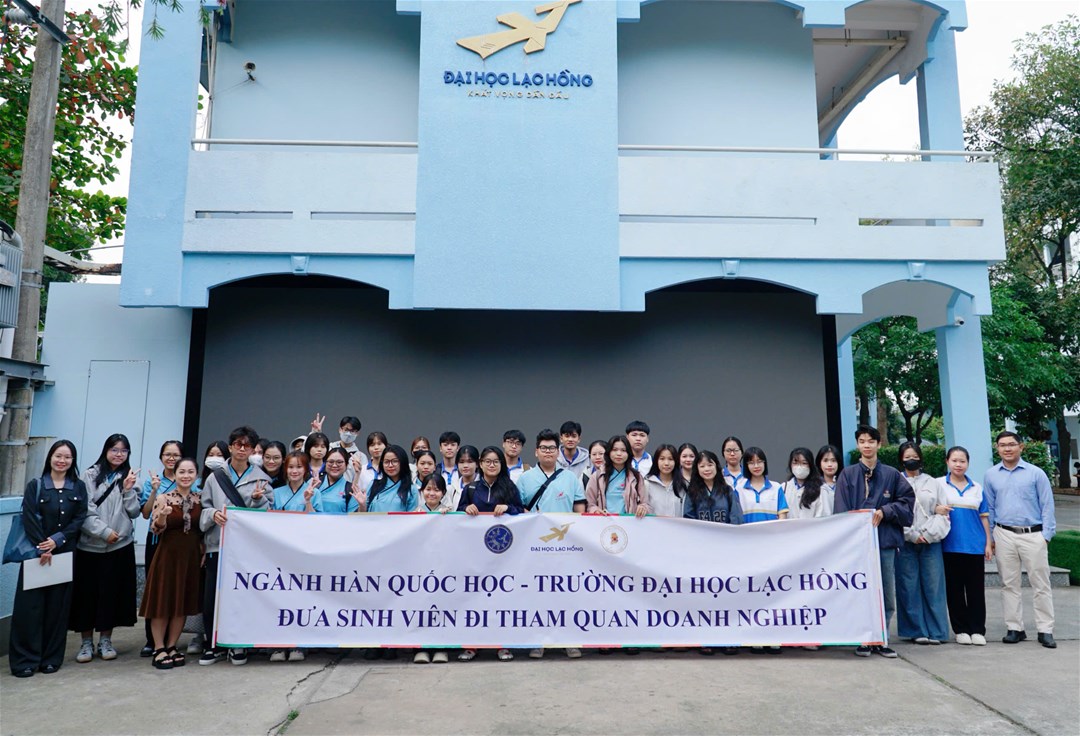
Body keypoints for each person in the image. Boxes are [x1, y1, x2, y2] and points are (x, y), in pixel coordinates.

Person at [834, 425, 914, 659]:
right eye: (862, 441)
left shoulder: (892, 474)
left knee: (886, 593)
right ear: (857, 445)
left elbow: (907, 502)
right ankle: (863, 639)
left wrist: (885, 511)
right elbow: (841, 511)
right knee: (861, 592)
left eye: (871, 441)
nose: (866, 445)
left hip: (885, 543)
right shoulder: (848, 475)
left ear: (879, 444)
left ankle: (881, 638)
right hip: (857, 547)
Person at [8, 440, 88, 677]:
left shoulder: (78, 487)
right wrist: (43, 546)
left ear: (73, 461)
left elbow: (80, 517)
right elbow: (29, 517)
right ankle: (25, 660)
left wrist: (57, 541)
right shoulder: (36, 485)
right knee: (29, 608)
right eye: (58, 456)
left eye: (67, 457)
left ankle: (51, 659)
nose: (62, 461)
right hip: (36, 554)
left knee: (57, 608)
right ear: (50, 457)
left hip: (63, 553)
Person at [199, 426, 273, 666]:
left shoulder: (261, 478)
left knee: (242, 595)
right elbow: (204, 507)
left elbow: (270, 515)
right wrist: (212, 515)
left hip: (246, 549)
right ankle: (212, 643)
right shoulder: (215, 477)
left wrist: (258, 501)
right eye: (238, 444)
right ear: (230, 447)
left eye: (247, 445)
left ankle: (238, 643)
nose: (242, 449)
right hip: (218, 544)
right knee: (213, 597)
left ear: (253, 450)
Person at [71, 434, 141, 664]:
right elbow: (84, 510)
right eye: (114, 449)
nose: (119, 454)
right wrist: (103, 532)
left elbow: (134, 512)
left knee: (111, 595)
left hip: (119, 546)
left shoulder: (130, 476)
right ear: (106, 450)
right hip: (90, 546)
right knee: (87, 595)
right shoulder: (89, 475)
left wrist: (128, 490)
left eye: (123, 450)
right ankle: (86, 642)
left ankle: (105, 640)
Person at [984, 431, 1057, 648]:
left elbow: (1047, 504)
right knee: (1009, 584)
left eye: (1011, 444)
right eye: (1002, 445)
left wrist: (1046, 536)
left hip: (1033, 534)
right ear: (997, 448)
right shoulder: (991, 475)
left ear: (1021, 447)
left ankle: (1045, 629)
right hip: (1004, 534)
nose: (1007, 448)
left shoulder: (1036, 474)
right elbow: (989, 507)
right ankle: (1015, 628)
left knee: (1040, 583)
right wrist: (992, 536)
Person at [457, 447, 523, 663]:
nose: (492, 465)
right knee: (473, 600)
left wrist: (508, 508)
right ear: (480, 464)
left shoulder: (510, 488)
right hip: (474, 555)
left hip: (503, 554)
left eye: (496, 461)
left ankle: (502, 645)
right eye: (487, 461)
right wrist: (466, 509)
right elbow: (458, 515)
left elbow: (522, 513)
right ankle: (471, 646)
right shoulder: (470, 488)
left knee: (501, 602)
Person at [140, 457, 203, 670]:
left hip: (190, 557)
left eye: (190, 472)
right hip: (167, 556)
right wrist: (162, 517)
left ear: (196, 475)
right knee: (162, 603)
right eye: (181, 472)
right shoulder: (164, 498)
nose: (186, 476)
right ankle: (159, 648)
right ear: (174, 475)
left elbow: (201, 529)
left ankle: (172, 645)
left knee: (181, 603)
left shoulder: (199, 499)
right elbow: (155, 529)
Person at [683, 449, 743, 655]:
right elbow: (688, 520)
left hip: (726, 552)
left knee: (727, 595)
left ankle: (730, 639)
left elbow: (736, 519)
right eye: (702, 466)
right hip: (701, 553)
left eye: (710, 464)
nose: (706, 469)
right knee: (705, 596)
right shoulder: (692, 493)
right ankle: (706, 638)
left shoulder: (727, 491)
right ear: (696, 469)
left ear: (717, 466)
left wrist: (729, 542)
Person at [896, 441, 951, 646]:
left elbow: (943, 511)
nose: (911, 460)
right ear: (901, 459)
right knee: (908, 586)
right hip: (905, 541)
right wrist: (911, 534)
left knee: (934, 586)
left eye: (915, 456)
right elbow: (893, 511)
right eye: (907, 457)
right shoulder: (895, 481)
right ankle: (915, 630)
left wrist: (927, 534)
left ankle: (937, 631)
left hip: (930, 540)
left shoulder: (933, 483)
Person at [940, 446, 992, 646]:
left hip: (974, 546)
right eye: (954, 460)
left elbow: (984, 517)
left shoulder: (976, 488)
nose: (958, 464)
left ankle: (977, 629)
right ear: (947, 462)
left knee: (976, 590)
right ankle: (960, 629)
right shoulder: (939, 485)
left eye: (962, 461)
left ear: (968, 463)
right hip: (949, 546)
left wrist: (988, 542)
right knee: (954, 590)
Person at [138, 440, 184, 657]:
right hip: (157, 540)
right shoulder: (153, 482)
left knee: (176, 591)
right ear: (161, 457)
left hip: (180, 542)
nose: (171, 458)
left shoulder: (190, 481)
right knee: (155, 590)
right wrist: (154, 490)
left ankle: (171, 642)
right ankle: (152, 640)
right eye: (167, 454)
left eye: (176, 455)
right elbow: (146, 513)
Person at [412, 474, 450, 664]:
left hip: (443, 569)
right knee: (421, 608)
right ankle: (421, 648)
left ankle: (441, 648)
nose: (432, 493)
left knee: (442, 609)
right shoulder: (415, 513)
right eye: (428, 489)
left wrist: (449, 518)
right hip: (421, 568)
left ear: (443, 493)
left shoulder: (451, 514)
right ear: (422, 491)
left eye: (436, 490)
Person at [585, 435, 650, 517]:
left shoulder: (636, 476)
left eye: (623, 450)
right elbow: (590, 504)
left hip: (629, 522)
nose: (619, 454)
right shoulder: (597, 476)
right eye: (615, 450)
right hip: (604, 522)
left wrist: (643, 507)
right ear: (609, 452)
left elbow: (645, 503)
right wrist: (595, 510)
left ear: (628, 453)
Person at [734, 447, 789, 523]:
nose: (756, 466)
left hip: (771, 531)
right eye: (751, 463)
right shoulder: (739, 489)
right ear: (746, 466)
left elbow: (782, 515)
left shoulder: (776, 487)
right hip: (747, 530)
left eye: (759, 461)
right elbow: (735, 516)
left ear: (764, 463)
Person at [358, 445, 417, 513]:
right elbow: (362, 515)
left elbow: (412, 517)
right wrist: (362, 505)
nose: (390, 465)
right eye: (386, 462)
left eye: (395, 461)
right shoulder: (374, 484)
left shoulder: (411, 489)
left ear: (403, 462)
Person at [782, 447, 832, 519]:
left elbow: (824, 516)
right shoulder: (784, 488)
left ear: (810, 465)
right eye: (795, 463)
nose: (799, 467)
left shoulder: (821, 488)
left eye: (804, 463)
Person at [313, 447, 358, 514]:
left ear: (347, 465)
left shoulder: (350, 489)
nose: (334, 465)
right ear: (325, 464)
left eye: (339, 462)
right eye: (331, 462)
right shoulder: (314, 483)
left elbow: (353, 517)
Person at [644, 444, 684, 518]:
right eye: (662, 459)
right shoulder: (647, 484)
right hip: (654, 525)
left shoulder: (683, 485)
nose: (666, 463)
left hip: (677, 525)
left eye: (670, 459)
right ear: (656, 461)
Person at [445, 445, 479, 513]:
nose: (465, 466)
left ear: (477, 464)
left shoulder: (484, 485)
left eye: (470, 461)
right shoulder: (452, 487)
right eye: (461, 462)